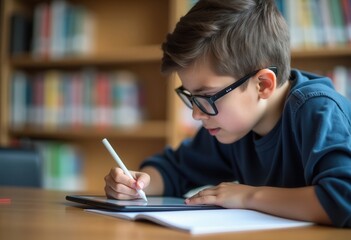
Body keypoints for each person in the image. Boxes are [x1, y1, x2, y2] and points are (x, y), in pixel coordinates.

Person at [104, 0, 351, 227]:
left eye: (207, 97)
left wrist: (248, 196)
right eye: (192, 97)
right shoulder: (235, 127)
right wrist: (138, 184)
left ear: (262, 85)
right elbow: (174, 170)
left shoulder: (318, 110)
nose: (197, 115)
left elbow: (342, 197)